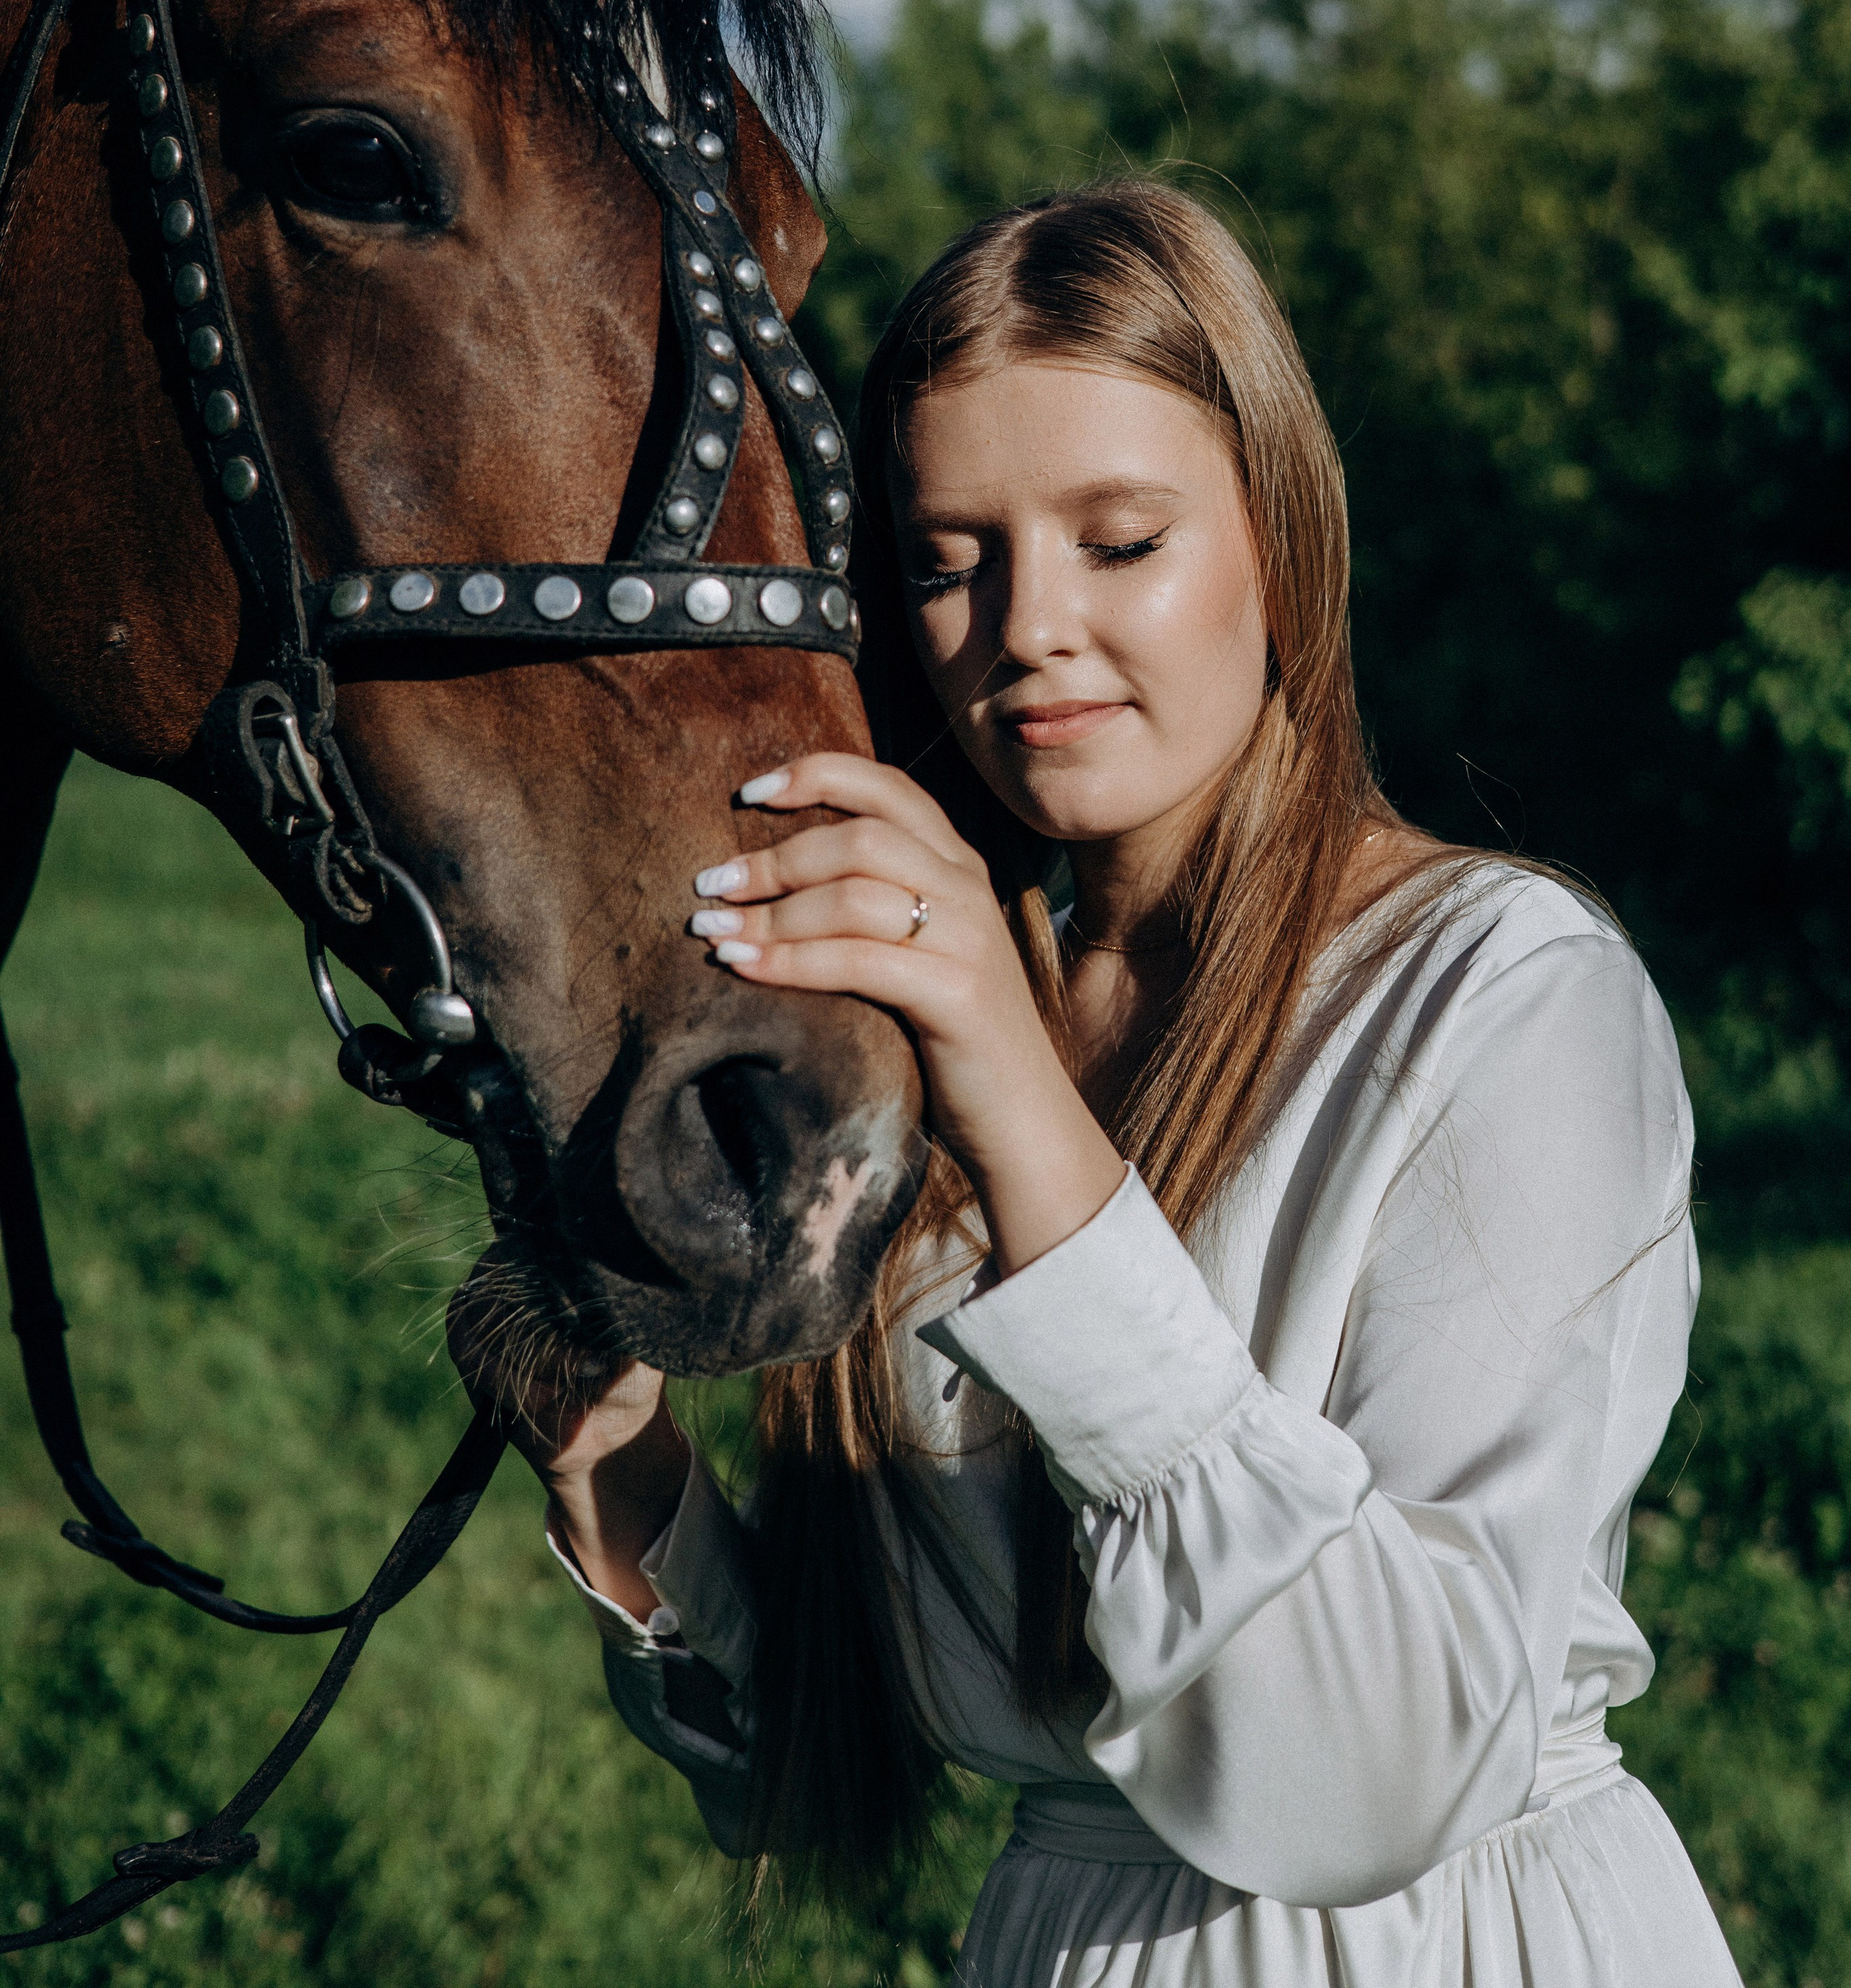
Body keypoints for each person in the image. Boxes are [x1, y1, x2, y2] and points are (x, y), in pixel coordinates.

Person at [470, 180, 1742, 1985]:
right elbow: (830, 1764)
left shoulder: (1506, 996)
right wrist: (624, 1469)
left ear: (1278, 546)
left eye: (1118, 539)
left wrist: (1015, 1087)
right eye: (947, 555)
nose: (1026, 627)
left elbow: (1378, 1776)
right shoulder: (919, 1018)